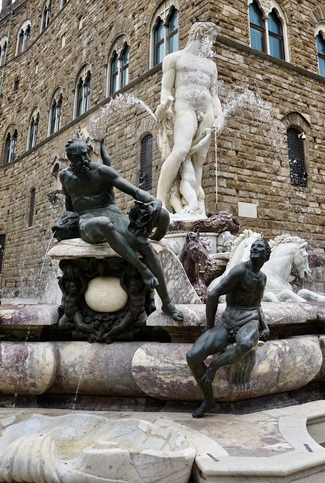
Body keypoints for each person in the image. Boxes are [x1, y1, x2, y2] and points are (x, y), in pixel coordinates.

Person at [59, 138, 183, 321]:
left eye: (86, 154)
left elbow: (136, 192)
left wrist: (155, 202)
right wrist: (67, 222)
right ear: (70, 158)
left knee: (144, 245)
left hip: (113, 215)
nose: (84, 159)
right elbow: (70, 205)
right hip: (87, 220)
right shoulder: (64, 176)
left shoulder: (102, 172)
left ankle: (166, 302)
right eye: (79, 157)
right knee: (103, 224)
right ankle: (142, 269)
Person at [186, 239, 271, 418]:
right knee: (192, 356)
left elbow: (257, 305)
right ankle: (209, 400)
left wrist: (264, 325)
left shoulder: (262, 277)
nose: (256, 248)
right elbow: (213, 294)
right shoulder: (240, 270)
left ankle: (213, 367)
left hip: (249, 321)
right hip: (227, 321)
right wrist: (210, 327)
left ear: (266, 256)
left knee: (246, 344)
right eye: (254, 247)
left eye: (260, 248)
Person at [156, 21, 224, 217]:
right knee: (180, 150)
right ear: (200, 36)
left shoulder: (211, 65)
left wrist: (220, 117)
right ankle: (160, 202)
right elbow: (166, 89)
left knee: (199, 159)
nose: (211, 44)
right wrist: (164, 106)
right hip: (184, 108)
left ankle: (194, 206)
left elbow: (214, 95)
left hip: (207, 110)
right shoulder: (174, 58)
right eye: (210, 39)